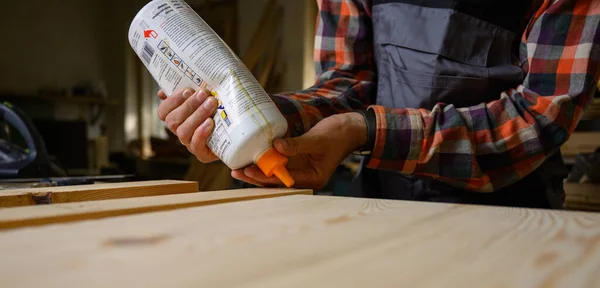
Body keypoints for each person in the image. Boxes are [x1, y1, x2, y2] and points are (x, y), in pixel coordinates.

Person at [157, 0, 600, 209]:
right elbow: (348, 83)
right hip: (384, 208)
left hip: (511, 222)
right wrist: (260, 117)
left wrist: (363, 130)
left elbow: (538, 118)